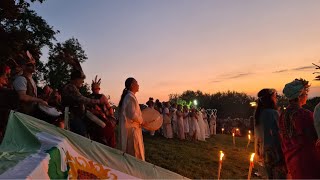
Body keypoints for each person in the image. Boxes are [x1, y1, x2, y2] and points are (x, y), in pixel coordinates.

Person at [279, 78, 320, 179]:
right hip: (308, 161)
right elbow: (315, 136)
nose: (307, 96)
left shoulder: (282, 115)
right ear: (299, 96)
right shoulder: (304, 115)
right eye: (305, 93)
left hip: (291, 161)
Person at [62, 70, 108, 137]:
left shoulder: (74, 88)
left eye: (96, 88)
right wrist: (98, 101)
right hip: (72, 116)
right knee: (83, 135)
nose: (82, 81)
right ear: (76, 79)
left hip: (78, 115)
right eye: (81, 79)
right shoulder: (70, 87)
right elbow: (82, 99)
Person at [254, 88, 287, 179]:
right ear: (270, 99)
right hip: (275, 151)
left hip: (264, 151)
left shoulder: (258, 114)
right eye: (275, 97)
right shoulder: (273, 113)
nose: (276, 99)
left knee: (270, 176)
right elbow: (279, 132)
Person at [117, 77, 145, 161]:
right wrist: (142, 121)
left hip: (133, 128)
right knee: (134, 152)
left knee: (133, 151)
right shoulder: (129, 97)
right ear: (132, 85)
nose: (138, 85)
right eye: (136, 83)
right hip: (132, 130)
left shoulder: (130, 96)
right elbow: (132, 114)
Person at [12, 51, 47, 115]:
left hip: (29, 113)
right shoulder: (21, 79)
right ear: (23, 67)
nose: (33, 66)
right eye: (30, 65)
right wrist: (39, 100)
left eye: (34, 64)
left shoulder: (32, 80)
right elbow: (22, 96)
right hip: (21, 114)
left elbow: (31, 96)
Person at [87, 75, 116, 148]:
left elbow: (109, 108)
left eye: (95, 88)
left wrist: (111, 117)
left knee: (109, 130)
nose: (94, 90)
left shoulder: (102, 97)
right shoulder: (89, 97)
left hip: (102, 118)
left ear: (98, 88)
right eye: (93, 88)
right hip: (93, 119)